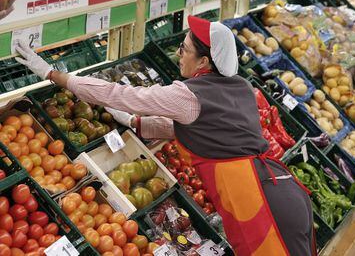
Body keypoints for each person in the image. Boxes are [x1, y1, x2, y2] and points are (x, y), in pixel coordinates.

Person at [16, 16, 316, 256]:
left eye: (184, 49)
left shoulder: (189, 95)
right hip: (281, 191)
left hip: (258, 205)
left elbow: (119, 93)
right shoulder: (238, 87)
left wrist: (51, 74)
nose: (178, 53)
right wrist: (135, 122)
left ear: (204, 63)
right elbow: (194, 130)